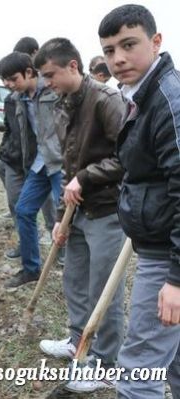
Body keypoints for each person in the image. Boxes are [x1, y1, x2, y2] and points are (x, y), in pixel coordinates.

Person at [34, 37, 126, 393]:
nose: (46, 82)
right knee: (74, 281)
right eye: (42, 76)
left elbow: (127, 157)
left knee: (105, 290)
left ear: (73, 66)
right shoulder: (63, 103)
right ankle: (78, 343)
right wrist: (60, 216)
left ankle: (106, 363)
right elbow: (68, 165)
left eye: (50, 74)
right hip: (77, 210)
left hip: (108, 209)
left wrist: (85, 178)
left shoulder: (106, 100)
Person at [99, 5, 180, 397]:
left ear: (156, 41)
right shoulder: (142, 96)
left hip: (168, 256)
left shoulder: (169, 101)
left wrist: (176, 280)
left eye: (129, 45)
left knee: (139, 374)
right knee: (176, 360)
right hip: (160, 247)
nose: (118, 58)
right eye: (110, 49)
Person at [0, 52, 63, 288]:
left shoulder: (55, 90)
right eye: (5, 80)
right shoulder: (18, 99)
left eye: (13, 78)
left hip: (61, 164)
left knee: (67, 219)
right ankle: (31, 269)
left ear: (29, 71)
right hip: (39, 162)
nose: (8, 84)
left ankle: (74, 267)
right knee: (24, 210)